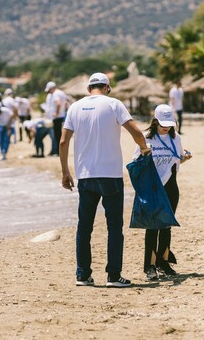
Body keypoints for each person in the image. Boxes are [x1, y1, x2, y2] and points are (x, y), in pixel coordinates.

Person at [60, 72, 150, 288]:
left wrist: (65, 171)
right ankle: (113, 276)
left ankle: (83, 275)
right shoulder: (114, 104)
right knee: (114, 228)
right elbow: (136, 132)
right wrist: (146, 150)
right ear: (107, 87)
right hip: (111, 175)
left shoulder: (75, 107)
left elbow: (63, 141)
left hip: (85, 175)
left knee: (84, 227)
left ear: (88, 88)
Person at [132, 104, 192, 280]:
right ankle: (149, 266)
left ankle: (163, 263)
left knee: (166, 225)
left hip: (171, 187)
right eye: (163, 123)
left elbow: (179, 159)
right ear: (155, 120)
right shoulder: (145, 138)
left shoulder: (176, 138)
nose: (166, 127)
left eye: (169, 123)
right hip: (152, 186)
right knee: (152, 227)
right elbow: (135, 162)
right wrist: (145, 155)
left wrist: (186, 157)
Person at [44, 81, 68, 156]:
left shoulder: (55, 94)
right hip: (61, 116)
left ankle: (58, 151)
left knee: (57, 135)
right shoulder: (61, 93)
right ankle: (56, 150)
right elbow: (66, 103)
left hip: (57, 117)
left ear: (52, 88)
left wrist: (56, 113)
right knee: (58, 134)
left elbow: (58, 103)